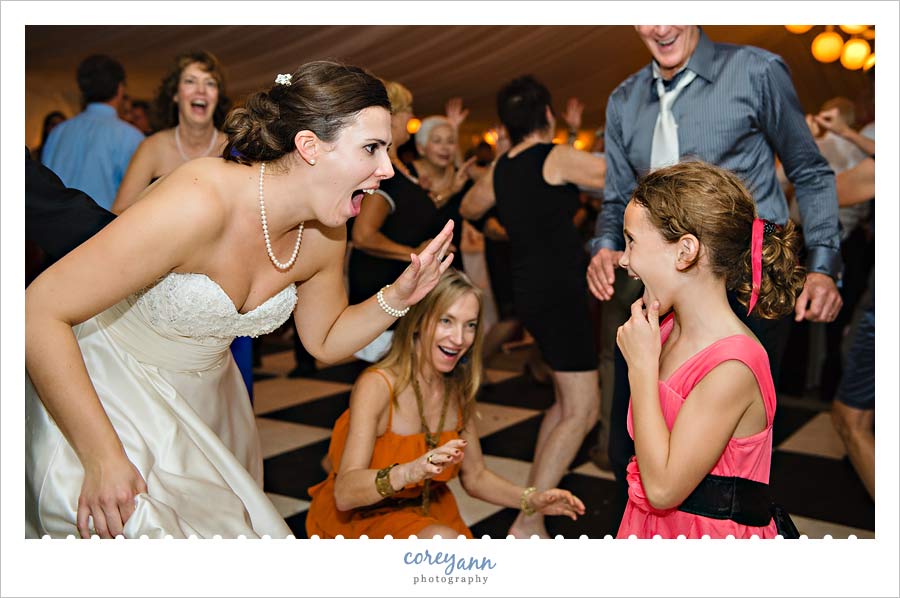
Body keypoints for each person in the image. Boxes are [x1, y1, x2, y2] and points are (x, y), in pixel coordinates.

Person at [25, 61, 456, 539]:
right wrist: (101, 457)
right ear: (309, 146)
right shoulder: (200, 200)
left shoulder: (325, 234)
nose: (387, 169)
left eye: (388, 150)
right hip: (109, 392)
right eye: (372, 148)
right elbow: (37, 310)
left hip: (209, 407)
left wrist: (400, 295)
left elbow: (325, 340)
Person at [586, 26, 843, 521]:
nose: (659, 27)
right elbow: (617, 194)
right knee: (630, 446)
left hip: (746, 287)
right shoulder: (623, 99)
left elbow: (809, 170)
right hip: (657, 288)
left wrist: (824, 265)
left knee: (729, 453)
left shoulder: (756, 71)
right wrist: (606, 246)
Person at [305, 269, 585, 539]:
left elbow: (475, 477)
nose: (460, 339)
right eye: (446, 321)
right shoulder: (377, 385)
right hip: (364, 520)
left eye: (470, 325)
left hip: (431, 514)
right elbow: (345, 494)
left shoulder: (455, 387)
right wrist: (410, 471)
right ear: (418, 320)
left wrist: (533, 500)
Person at [615, 161, 805, 538]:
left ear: (685, 251)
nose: (623, 259)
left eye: (631, 241)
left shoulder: (732, 366)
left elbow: (664, 488)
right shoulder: (663, 331)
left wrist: (640, 369)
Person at [460, 75, 605, 538]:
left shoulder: (502, 166)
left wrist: (509, 220)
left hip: (530, 288)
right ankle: (527, 520)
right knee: (584, 410)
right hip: (559, 290)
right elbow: (615, 173)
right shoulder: (555, 156)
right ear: (547, 115)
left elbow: (468, 206)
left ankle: (531, 515)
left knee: (564, 405)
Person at [348, 81, 454, 362]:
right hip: (383, 287)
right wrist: (417, 255)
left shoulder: (401, 169)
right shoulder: (384, 172)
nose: (411, 117)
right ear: (390, 116)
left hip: (402, 290)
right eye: (408, 110)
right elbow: (363, 236)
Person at [111, 50, 230, 214]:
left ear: (217, 96)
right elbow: (118, 212)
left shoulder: (232, 148)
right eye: (190, 81)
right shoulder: (151, 148)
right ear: (175, 94)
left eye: (210, 83)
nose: (201, 90)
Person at [40, 54, 145, 211]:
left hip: (55, 230)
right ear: (120, 89)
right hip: (106, 231)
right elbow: (138, 200)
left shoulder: (58, 133)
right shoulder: (130, 136)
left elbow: (44, 186)